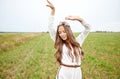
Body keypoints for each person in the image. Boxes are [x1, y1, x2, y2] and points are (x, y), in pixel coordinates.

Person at [46, 0, 91, 79]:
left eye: (63, 31)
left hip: (77, 73)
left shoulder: (78, 41)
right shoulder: (60, 43)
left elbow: (88, 28)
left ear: (68, 31)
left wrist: (78, 18)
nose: (62, 34)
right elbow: (50, 27)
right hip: (64, 74)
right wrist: (53, 11)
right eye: (60, 32)